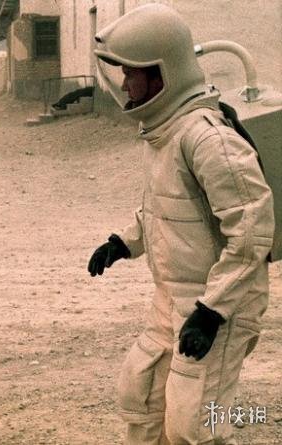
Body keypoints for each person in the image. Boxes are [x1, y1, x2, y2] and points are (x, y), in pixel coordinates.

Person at [87, 4, 274, 444]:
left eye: (131, 73)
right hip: (173, 296)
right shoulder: (165, 131)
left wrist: (212, 312)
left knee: (195, 426)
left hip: (219, 305)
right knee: (144, 399)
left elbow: (252, 228)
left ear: (160, 74)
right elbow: (167, 206)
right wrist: (123, 242)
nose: (125, 85)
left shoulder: (208, 138)